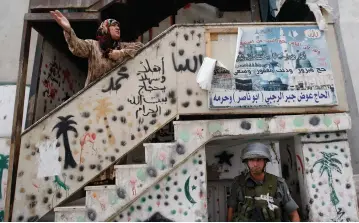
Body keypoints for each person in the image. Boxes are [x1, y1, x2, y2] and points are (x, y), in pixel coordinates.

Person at [50, 10, 144, 86]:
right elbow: (77, 47)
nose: (118, 28)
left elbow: (141, 47)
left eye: (118, 26)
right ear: (105, 28)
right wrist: (68, 30)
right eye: (113, 25)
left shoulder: (122, 47)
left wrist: (121, 53)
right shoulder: (93, 46)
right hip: (93, 98)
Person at [227, 143, 300, 222]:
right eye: (251, 160)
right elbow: (231, 211)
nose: (255, 164)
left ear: (265, 161)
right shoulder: (238, 183)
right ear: (246, 162)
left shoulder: (279, 183)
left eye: (259, 160)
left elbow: (293, 214)